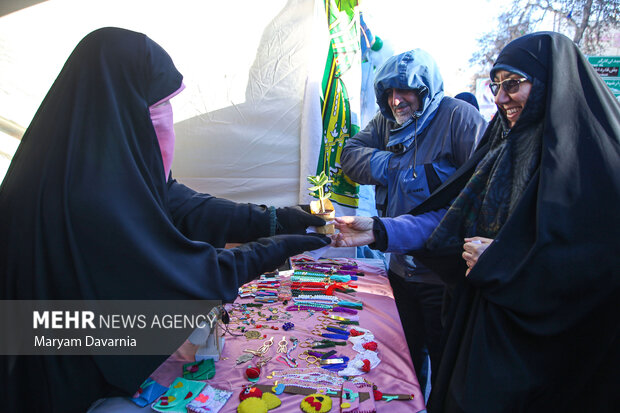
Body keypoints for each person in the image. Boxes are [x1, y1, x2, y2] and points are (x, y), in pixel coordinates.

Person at [0, 27, 331, 412]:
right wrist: (263, 254)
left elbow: (181, 203)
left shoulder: (100, 154)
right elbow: (164, 273)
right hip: (52, 356)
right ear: (122, 102)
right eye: (157, 107)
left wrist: (278, 219)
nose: (166, 121)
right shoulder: (85, 189)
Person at [336, 31, 620, 412]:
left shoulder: (597, 164)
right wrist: (381, 228)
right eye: (496, 85)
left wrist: (505, 262)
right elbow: (453, 215)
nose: (500, 98)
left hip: (551, 357)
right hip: (484, 323)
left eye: (513, 84)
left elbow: (596, 268)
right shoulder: (505, 142)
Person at [340, 48, 487, 392]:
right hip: (399, 271)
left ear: (426, 90)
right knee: (402, 362)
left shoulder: (459, 118)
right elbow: (350, 156)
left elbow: (482, 188)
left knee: (447, 364)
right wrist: (396, 168)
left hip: (443, 275)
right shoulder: (386, 122)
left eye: (404, 91)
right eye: (388, 92)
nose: (395, 100)